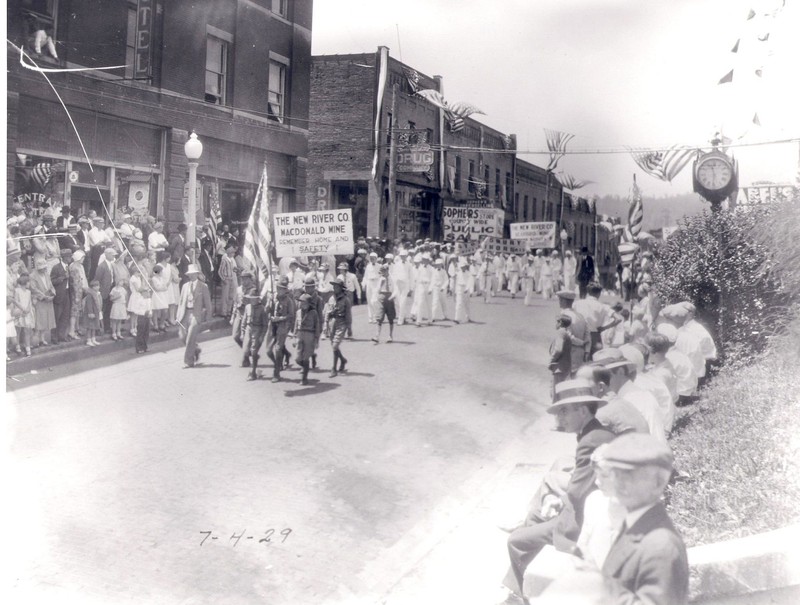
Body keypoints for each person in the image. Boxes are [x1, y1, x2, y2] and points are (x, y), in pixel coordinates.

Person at [499, 380, 615, 605]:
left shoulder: (591, 440)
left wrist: (557, 500)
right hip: (584, 511)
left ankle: (526, 596)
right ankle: (517, 588)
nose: (559, 418)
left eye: (564, 411)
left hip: (578, 523)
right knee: (533, 517)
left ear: (582, 411)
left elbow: (578, 492)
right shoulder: (594, 432)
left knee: (515, 541)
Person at [598, 433, 689, 605]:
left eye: (629, 475)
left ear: (658, 482)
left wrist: (593, 586)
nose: (620, 483)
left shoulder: (661, 544)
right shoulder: (635, 524)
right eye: (616, 474)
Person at [176, 264, 212, 368]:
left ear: (197, 274)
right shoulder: (184, 286)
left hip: (196, 314)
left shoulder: (203, 286)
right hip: (185, 312)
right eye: (189, 274)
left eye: (193, 274)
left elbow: (208, 303)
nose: (191, 276)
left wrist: (208, 318)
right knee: (182, 336)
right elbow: (181, 301)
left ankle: (188, 361)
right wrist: (178, 316)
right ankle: (196, 349)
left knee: (190, 337)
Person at [573, 282, 621, 356]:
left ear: (588, 292)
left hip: (579, 333)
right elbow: (618, 319)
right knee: (595, 359)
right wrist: (604, 328)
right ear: (599, 293)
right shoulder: (603, 306)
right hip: (594, 335)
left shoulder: (577, 303)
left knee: (578, 358)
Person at [266, 276, 295, 383]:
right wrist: (268, 307)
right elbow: (267, 311)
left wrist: (280, 318)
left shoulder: (289, 301)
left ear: (285, 290)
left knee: (278, 349)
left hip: (283, 326)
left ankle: (276, 372)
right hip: (272, 324)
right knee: (268, 351)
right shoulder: (273, 298)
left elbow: (291, 316)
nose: (279, 290)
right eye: (278, 288)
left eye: (281, 289)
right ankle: (279, 362)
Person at [557, 290, 590, 374]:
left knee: (564, 380)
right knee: (576, 376)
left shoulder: (564, 316)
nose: (559, 302)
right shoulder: (580, 316)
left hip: (567, 352)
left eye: (560, 300)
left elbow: (567, 336)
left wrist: (581, 343)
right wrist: (586, 350)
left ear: (564, 301)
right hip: (580, 352)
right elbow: (587, 335)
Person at [242, 288, 270, 381]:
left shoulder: (262, 309)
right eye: (251, 298)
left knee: (254, 351)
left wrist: (262, 336)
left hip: (257, 330)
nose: (252, 300)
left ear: (258, 299)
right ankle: (256, 368)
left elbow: (265, 325)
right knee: (246, 351)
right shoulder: (247, 307)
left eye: (254, 298)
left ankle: (253, 373)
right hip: (249, 329)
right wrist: (242, 332)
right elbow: (244, 321)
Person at [328, 275, 352, 378]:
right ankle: (342, 360)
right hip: (333, 322)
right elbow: (327, 311)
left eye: (336, 287)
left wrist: (349, 328)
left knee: (335, 346)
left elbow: (348, 315)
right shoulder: (332, 298)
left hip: (342, 323)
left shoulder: (346, 300)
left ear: (341, 288)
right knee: (333, 345)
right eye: (334, 287)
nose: (334, 288)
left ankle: (334, 368)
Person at [295, 292, 321, 385]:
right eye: (300, 302)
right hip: (300, 334)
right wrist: (295, 336)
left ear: (309, 304)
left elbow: (317, 326)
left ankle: (304, 378)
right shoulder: (298, 312)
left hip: (310, 335)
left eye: (304, 302)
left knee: (305, 358)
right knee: (297, 359)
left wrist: (317, 340)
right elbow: (296, 325)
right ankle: (307, 366)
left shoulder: (313, 313)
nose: (302, 304)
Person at [30, 257, 57, 346]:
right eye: (41, 268)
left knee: (46, 319)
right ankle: (36, 340)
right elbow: (33, 289)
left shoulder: (46, 274)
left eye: (44, 268)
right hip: (40, 300)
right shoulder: (32, 276)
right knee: (39, 320)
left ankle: (42, 338)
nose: (43, 270)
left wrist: (53, 293)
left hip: (48, 299)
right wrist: (44, 297)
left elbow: (50, 285)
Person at [128, 265, 153, 354]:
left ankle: (145, 346)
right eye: (139, 272)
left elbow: (149, 306)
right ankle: (139, 347)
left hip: (146, 314)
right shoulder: (139, 298)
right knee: (141, 329)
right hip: (141, 314)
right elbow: (139, 289)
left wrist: (149, 312)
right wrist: (144, 289)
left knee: (146, 330)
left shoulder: (147, 299)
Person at [50, 248, 72, 343]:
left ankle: (62, 335)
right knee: (57, 316)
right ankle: (54, 337)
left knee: (65, 316)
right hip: (59, 295)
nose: (70, 258)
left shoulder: (68, 267)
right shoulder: (56, 267)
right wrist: (62, 278)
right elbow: (51, 281)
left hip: (67, 293)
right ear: (64, 257)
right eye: (68, 257)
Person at [94, 247, 118, 334]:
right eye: (112, 255)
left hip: (110, 289)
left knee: (108, 309)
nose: (113, 256)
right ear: (107, 255)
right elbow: (97, 279)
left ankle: (107, 327)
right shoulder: (102, 266)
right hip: (103, 290)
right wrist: (98, 291)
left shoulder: (112, 264)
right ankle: (99, 328)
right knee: (101, 310)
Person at [372, 264, 396, 343]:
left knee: (390, 318)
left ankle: (390, 335)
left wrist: (392, 296)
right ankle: (377, 336)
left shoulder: (392, 278)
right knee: (379, 317)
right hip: (381, 297)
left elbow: (396, 289)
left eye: (384, 271)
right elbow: (377, 290)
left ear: (387, 271)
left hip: (389, 296)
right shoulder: (381, 279)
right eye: (381, 272)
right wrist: (376, 298)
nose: (382, 273)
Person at [13, 273, 35, 357]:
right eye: (28, 282)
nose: (29, 284)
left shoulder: (29, 292)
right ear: (24, 282)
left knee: (27, 331)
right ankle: (17, 346)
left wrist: (28, 309)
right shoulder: (17, 291)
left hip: (27, 313)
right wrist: (22, 309)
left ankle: (27, 347)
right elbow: (16, 301)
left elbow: (29, 302)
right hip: (19, 312)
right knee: (18, 330)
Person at [548, 313, 572, 389]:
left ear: (560, 322)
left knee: (556, 392)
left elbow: (558, 349)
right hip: (565, 367)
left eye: (557, 322)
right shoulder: (566, 333)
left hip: (559, 367)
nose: (555, 324)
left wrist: (551, 361)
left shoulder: (561, 332)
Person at [413, 253, 434, 326]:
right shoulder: (420, 268)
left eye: (426, 260)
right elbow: (417, 278)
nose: (425, 261)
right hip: (421, 285)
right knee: (420, 303)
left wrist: (431, 288)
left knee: (429, 304)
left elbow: (433, 279)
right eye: (423, 259)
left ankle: (430, 320)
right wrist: (417, 287)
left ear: (428, 261)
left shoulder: (431, 268)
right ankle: (418, 321)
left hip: (428, 285)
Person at [219, 244, 238, 319]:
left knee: (231, 296)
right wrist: (223, 279)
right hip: (226, 279)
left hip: (232, 278)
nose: (233, 254)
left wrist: (236, 270)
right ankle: (223, 312)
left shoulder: (232, 260)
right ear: (229, 253)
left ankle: (228, 311)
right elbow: (220, 271)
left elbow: (233, 269)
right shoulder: (225, 260)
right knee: (225, 297)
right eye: (232, 253)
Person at [83, 279, 103, 347]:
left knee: (94, 326)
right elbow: (89, 304)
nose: (98, 287)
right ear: (92, 287)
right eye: (96, 286)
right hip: (91, 313)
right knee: (89, 327)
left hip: (96, 312)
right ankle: (89, 340)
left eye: (98, 286)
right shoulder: (90, 295)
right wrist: (90, 312)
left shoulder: (97, 294)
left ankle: (93, 339)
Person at [430, 257, 448, 321]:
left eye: (439, 264)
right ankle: (432, 317)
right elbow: (432, 281)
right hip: (436, 288)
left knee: (443, 302)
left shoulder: (444, 272)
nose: (438, 266)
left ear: (441, 265)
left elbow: (446, 280)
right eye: (437, 265)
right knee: (434, 302)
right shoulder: (434, 272)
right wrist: (430, 289)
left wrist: (443, 287)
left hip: (442, 288)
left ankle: (445, 315)